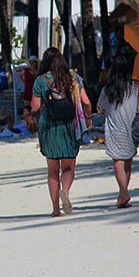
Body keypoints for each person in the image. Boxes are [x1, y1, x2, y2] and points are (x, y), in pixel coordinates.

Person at [31, 48, 81, 216]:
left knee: (52, 170)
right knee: (68, 167)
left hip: (49, 125)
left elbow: (35, 106)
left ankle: (55, 209)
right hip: (68, 124)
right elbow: (86, 101)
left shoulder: (40, 80)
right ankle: (65, 192)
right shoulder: (71, 78)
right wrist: (87, 118)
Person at [96, 55, 139, 209]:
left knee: (118, 163)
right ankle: (122, 195)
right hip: (131, 128)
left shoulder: (107, 89)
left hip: (114, 129)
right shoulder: (136, 86)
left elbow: (100, 109)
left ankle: (123, 193)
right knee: (127, 163)